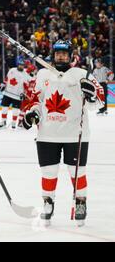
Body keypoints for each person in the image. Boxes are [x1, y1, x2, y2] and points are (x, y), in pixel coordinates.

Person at [22, 40, 104, 227]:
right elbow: (35, 99)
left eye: (64, 53)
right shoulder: (43, 74)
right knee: (48, 172)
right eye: (58, 53)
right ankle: (48, 202)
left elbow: (98, 101)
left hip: (75, 134)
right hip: (46, 134)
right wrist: (33, 113)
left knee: (78, 172)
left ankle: (81, 202)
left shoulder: (82, 74)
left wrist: (92, 95)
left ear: (70, 56)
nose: (61, 56)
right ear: (53, 55)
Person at [0, 57, 30, 129]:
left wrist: (24, 93)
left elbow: (27, 85)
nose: (21, 66)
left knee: (15, 111)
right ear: (17, 64)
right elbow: (6, 79)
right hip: (7, 93)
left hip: (17, 96)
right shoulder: (12, 70)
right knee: (4, 108)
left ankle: (13, 123)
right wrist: (3, 85)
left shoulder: (25, 74)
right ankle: (3, 122)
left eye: (22, 65)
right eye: (20, 64)